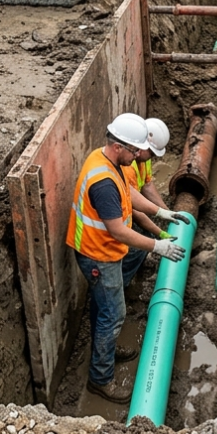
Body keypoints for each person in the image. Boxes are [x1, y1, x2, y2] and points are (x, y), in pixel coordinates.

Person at [68, 113, 188, 404]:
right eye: (134, 151)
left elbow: (130, 193)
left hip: (105, 249)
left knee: (107, 308)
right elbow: (119, 231)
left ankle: (104, 350)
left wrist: (162, 212)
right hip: (98, 255)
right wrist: (157, 245)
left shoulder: (108, 161)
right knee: (114, 314)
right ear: (119, 146)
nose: (138, 156)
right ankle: (101, 378)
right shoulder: (103, 183)